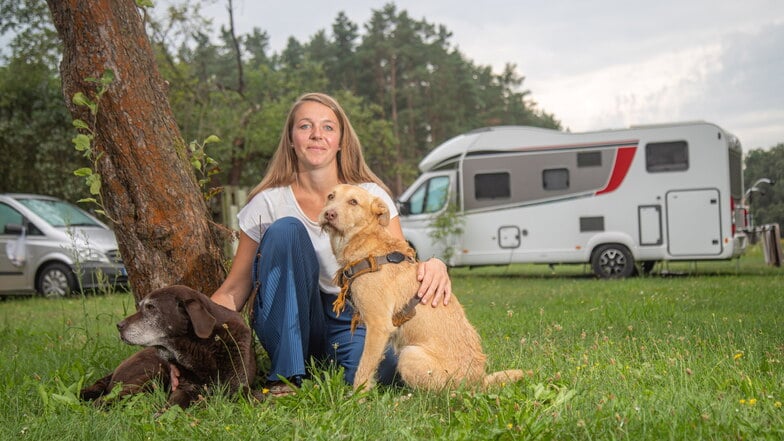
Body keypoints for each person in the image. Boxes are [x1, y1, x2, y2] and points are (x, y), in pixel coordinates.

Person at [211, 92, 452, 395]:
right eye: (305, 126)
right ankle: (285, 379)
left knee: (385, 373)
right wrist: (192, 336)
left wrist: (435, 264)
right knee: (287, 230)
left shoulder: (369, 194)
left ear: (340, 141)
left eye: (327, 127)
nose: (316, 135)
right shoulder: (268, 203)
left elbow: (399, 264)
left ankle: (329, 365)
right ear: (290, 139)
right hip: (294, 317)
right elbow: (234, 290)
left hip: (351, 319)